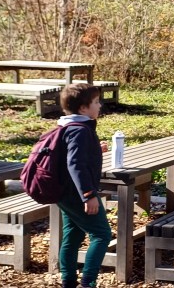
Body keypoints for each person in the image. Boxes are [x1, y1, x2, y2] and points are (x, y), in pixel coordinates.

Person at [56, 83, 111, 288]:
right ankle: (88, 282)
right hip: (76, 193)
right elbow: (75, 164)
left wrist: (95, 149)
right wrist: (88, 195)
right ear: (82, 109)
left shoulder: (67, 126)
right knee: (102, 234)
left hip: (65, 192)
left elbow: (70, 155)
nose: (100, 106)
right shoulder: (80, 131)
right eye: (96, 102)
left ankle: (68, 281)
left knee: (74, 234)